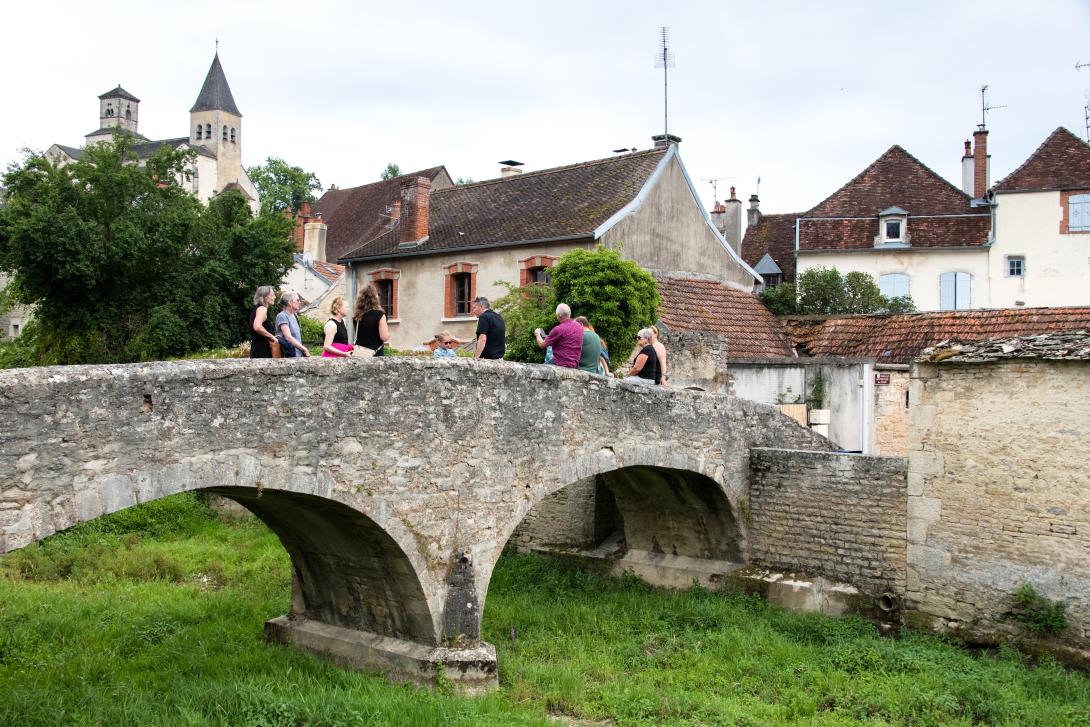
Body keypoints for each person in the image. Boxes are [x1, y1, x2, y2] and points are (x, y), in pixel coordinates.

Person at [534, 303, 583, 368]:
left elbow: (542, 345)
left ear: (558, 316)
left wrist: (537, 334)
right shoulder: (579, 326)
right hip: (574, 364)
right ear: (569, 314)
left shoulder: (558, 329)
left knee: (538, 369)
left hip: (560, 363)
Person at [353, 283, 390, 355]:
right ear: (375, 298)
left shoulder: (357, 316)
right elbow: (384, 337)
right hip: (375, 355)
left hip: (360, 355)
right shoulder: (380, 315)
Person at [275, 291, 310, 358]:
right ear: (290, 302)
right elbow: (288, 337)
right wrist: (304, 349)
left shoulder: (295, 316)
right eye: (297, 300)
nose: (299, 302)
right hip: (289, 355)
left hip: (298, 355)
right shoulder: (282, 316)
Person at [249, 285, 279, 359]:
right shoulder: (262, 309)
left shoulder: (258, 309)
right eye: (272, 295)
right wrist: (271, 336)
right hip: (262, 351)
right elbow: (257, 326)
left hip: (257, 348)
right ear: (265, 297)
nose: (274, 297)